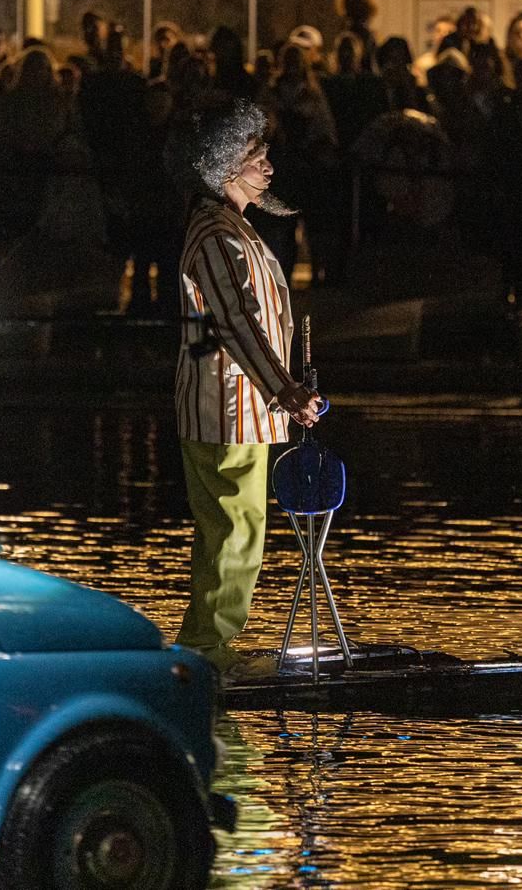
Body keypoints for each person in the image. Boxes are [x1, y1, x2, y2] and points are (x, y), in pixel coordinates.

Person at [168, 98, 322, 673]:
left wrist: (281, 390)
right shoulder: (216, 235)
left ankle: (210, 645)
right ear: (226, 164)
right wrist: (284, 389)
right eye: (258, 156)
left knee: (236, 531)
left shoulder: (231, 230)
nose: (268, 168)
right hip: (224, 409)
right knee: (234, 531)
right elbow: (236, 321)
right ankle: (208, 651)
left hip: (242, 408)